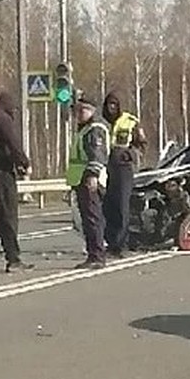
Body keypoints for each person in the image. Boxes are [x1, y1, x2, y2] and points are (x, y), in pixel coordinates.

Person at [0, 91, 34, 273]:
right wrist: (23, 162)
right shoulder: (2, 118)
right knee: (8, 216)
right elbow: (13, 143)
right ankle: (13, 259)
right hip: (2, 172)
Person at [67, 94, 111, 269]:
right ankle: (93, 253)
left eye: (83, 110)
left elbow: (97, 154)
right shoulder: (86, 128)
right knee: (88, 219)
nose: (79, 113)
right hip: (82, 179)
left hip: (90, 179)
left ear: (92, 110)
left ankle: (97, 255)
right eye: (78, 110)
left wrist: (92, 174)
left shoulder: (95, 129)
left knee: (93, 218)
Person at [102, 91, 147, 257]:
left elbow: (141, 146)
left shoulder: (130, 122)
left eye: (114, 104)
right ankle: (111, 242)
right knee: (108, 208)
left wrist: (128, 155)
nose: (111, 108)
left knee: (122, 207)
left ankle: (121, 244)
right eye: (108, 105)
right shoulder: (101, 123)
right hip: (104, 169)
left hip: (123, 169)